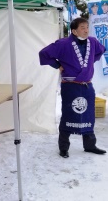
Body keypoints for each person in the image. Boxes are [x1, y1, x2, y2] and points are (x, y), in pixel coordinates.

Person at [39, 17, 106, 158]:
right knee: (69, 115)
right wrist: (58, 65)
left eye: (87, 27)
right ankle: (63, 147)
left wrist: (89, 63)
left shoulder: (93, 42)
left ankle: (90, 145)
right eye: (82, 27)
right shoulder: (63, 44)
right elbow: (44, 54)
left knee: (88, 115)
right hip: (70, 86)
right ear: (74, 31)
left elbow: (101, 51)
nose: (86, 30)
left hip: (87, 85)